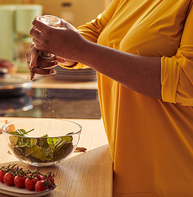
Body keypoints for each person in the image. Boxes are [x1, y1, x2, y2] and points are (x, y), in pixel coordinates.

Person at [26, 0, 193, 196]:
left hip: (173, 178)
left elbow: (186, 79)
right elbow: (99, 29)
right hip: (121, 168)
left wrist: (79, 49)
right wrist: (57, 46)